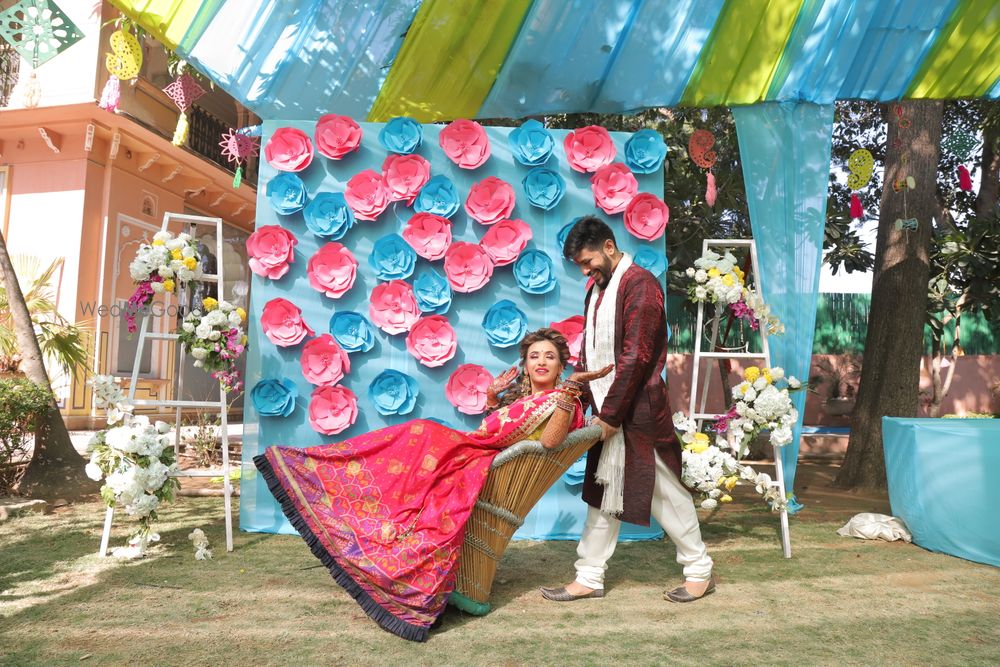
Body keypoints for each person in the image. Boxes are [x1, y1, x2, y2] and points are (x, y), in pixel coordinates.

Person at [254, 328, 611, 642]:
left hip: (481, 464)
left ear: (561, 365)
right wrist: (492, 399)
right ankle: (330, 477)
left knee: (411, 439)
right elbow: (498, 433)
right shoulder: (530, 400)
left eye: (549, 356)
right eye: (534, 356)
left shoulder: (563, 402)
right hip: (476, 455)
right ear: (526, 364)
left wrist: (571, 389)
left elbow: (548, 441)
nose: (541, 362)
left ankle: (320, 471)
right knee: (405, 449)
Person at [540, 216, 715, 604]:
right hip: (608, 407)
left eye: (587, 262)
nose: (585, 271)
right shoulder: (597, 290)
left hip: (637, 412)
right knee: (603, 493)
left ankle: (700, 570)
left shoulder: (641, 285)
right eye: (579, 265)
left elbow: (637, 357)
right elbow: (590, 353)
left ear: (608, 246)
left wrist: (610, 416)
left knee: (665, 492)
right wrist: (583, 400)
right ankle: (589, 576)